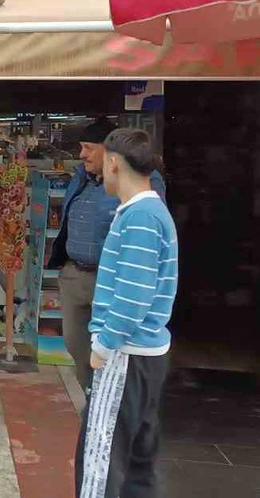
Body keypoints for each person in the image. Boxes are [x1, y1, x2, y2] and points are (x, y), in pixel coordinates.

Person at [75, 129, 178, 498]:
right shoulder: (149, 212)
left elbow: (133, 297)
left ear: (114, 162)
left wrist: (103, 346)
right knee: (137, 465)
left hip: (125, 355)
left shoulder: (140, 217)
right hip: (144, 355)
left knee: (100, 462)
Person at [49, 118, 165, 389]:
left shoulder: (141, 190)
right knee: (77, 347)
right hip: (75, 276)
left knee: (111, 355)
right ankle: (91, 398)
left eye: (89, 148)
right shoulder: (81, 178)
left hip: (109, 280)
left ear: (112, 154)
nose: (82, 155)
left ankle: (106, 403)